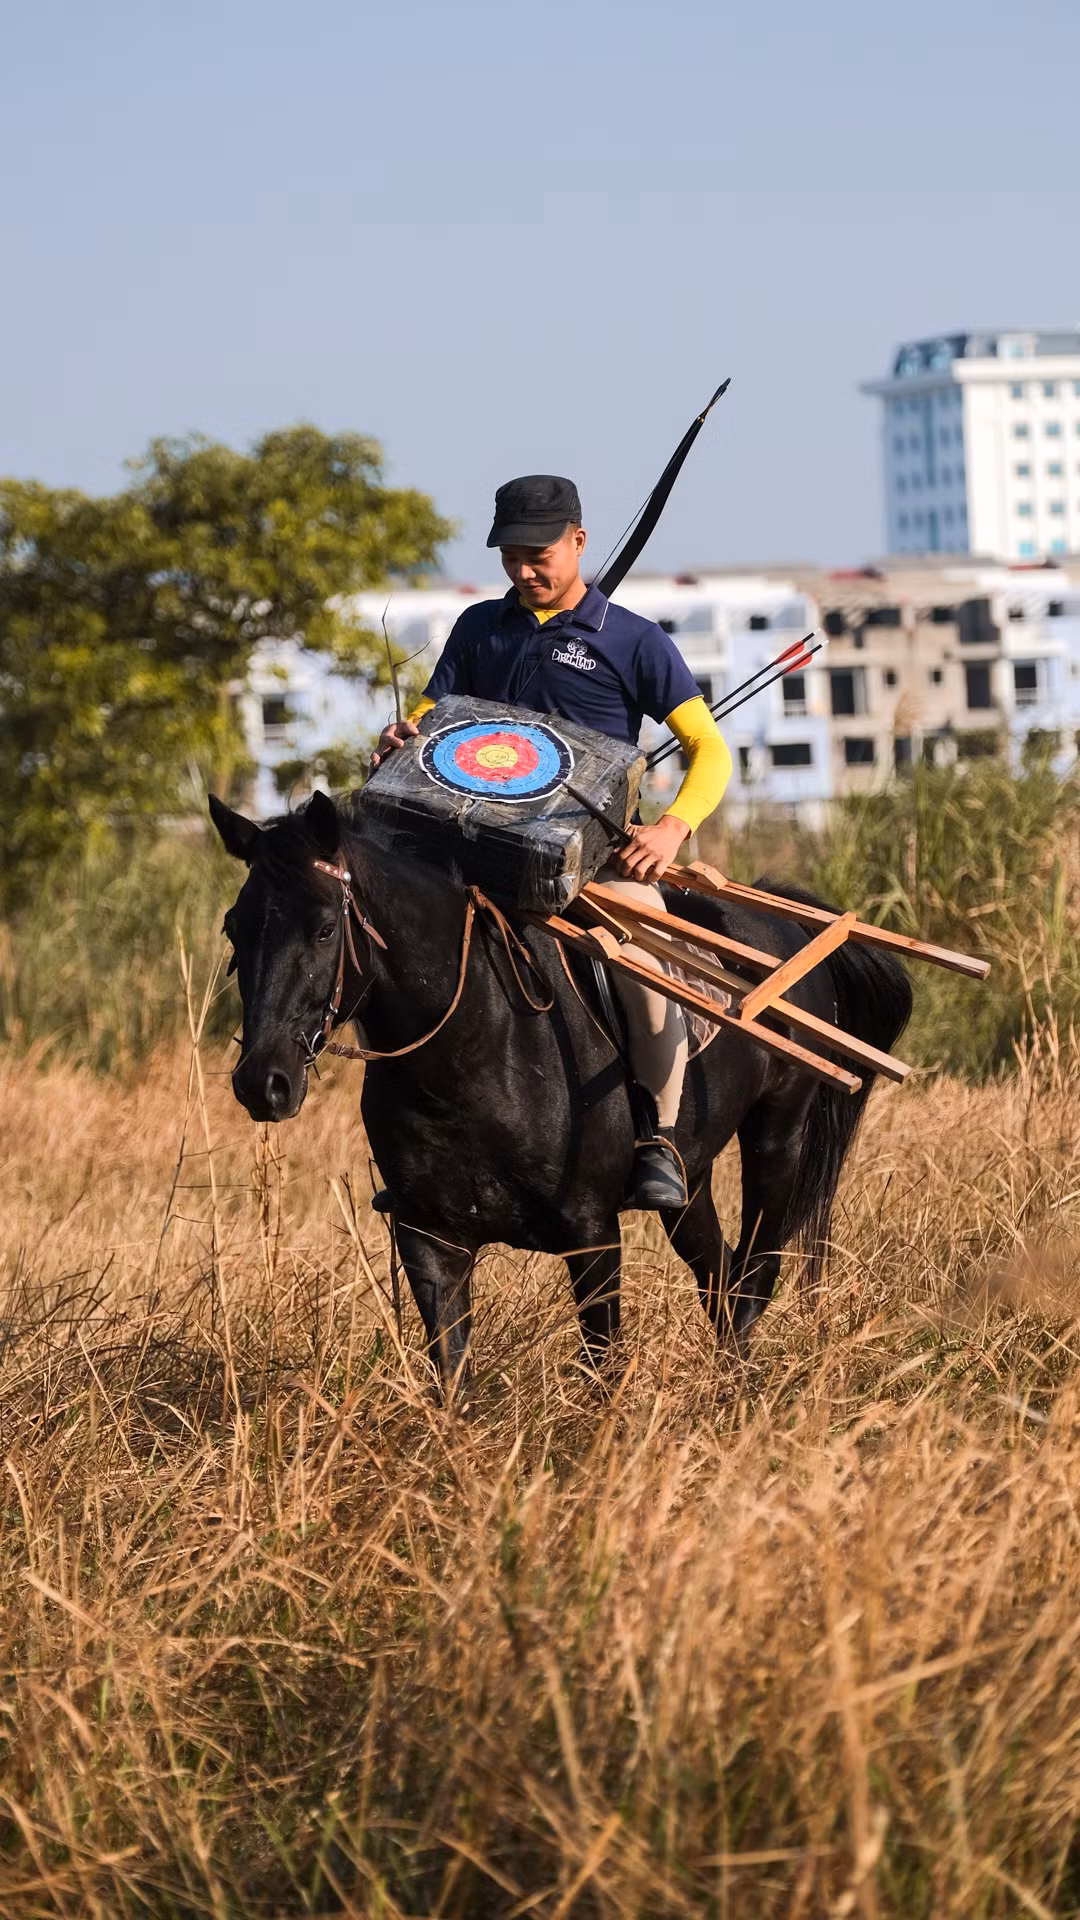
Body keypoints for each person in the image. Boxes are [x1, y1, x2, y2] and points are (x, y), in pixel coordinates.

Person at [372, 474, 732, 1210]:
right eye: (510, 557)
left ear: (578, 541)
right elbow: (432, 717)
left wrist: (671, 829)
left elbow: (710, 749)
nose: (523, 571)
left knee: (642, 970)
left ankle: (660, 1138)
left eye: (538, 556)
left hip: (593, 869)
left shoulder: (636, 641)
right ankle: (421, 1151)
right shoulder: (478, 627)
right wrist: (403, 737)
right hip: (471, 858)